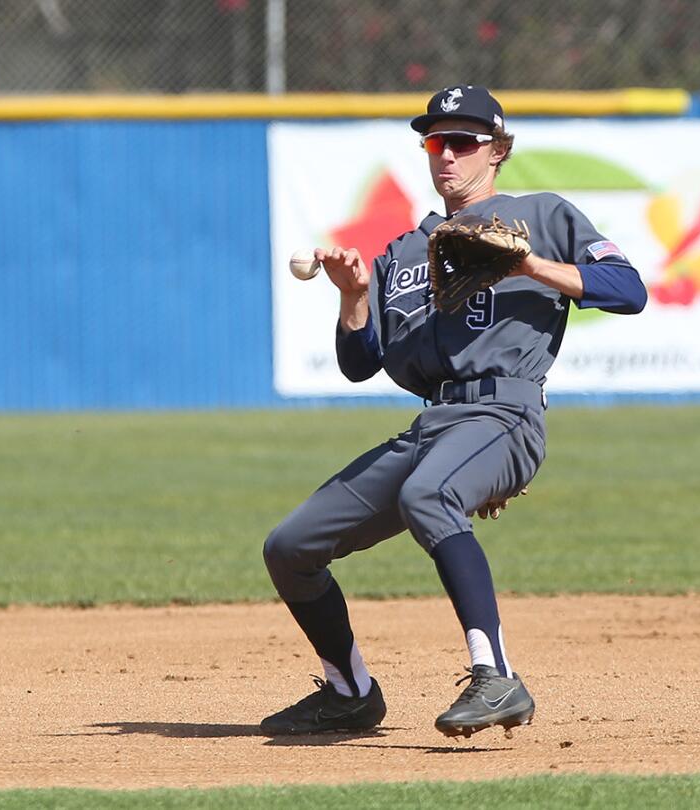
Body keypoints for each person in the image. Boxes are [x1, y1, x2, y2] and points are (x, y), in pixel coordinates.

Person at [260, 85, 647, 738]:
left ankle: (496, 677)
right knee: (290, 547)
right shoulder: (402, 254)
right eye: (436, 141)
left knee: (428, 495)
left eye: (462, 141)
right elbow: (360, 364)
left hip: (505, 414)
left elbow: (629, 290)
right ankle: (350, 690)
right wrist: (354, 297)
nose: (446, 154)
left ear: (496, 150)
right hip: (433, 425)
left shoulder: (542, 215)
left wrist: (528, 263)